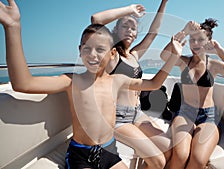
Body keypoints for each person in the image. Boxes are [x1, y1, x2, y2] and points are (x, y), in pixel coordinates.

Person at [0, 0, 184, 168]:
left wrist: (173, 56)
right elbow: (23, 83)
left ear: (110, 53)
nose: (93, 54)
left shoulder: (118, 79)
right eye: (86, 48)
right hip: (81, 154)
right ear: (80, 51)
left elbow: (153, 83)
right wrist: (13, 27)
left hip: (109, 150)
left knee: (160, 160)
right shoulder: (72, 81)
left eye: (100, 49)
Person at [91, 1, 172, 168]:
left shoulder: (134, 55)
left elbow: (154, 32)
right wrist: (128, 10)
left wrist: (164, 2)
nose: (129, 30)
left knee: (169, 147)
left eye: (133, 28)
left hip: (137, 113)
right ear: (116, 31)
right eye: (125, 26)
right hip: (117, 118)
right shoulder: (112, 55)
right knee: (158, 160)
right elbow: (96, 20)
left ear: (136, 34)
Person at [160, 19, 224, 169]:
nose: (195, 43)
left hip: (208, 116)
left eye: (200, 39)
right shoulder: (184, 62)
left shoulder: (213, 65)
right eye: (192, 39)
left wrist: (220, 51)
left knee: (198, 160)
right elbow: (164, 56)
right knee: (180, 156)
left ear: (208, 41)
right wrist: (185, 31)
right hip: (185, 113)